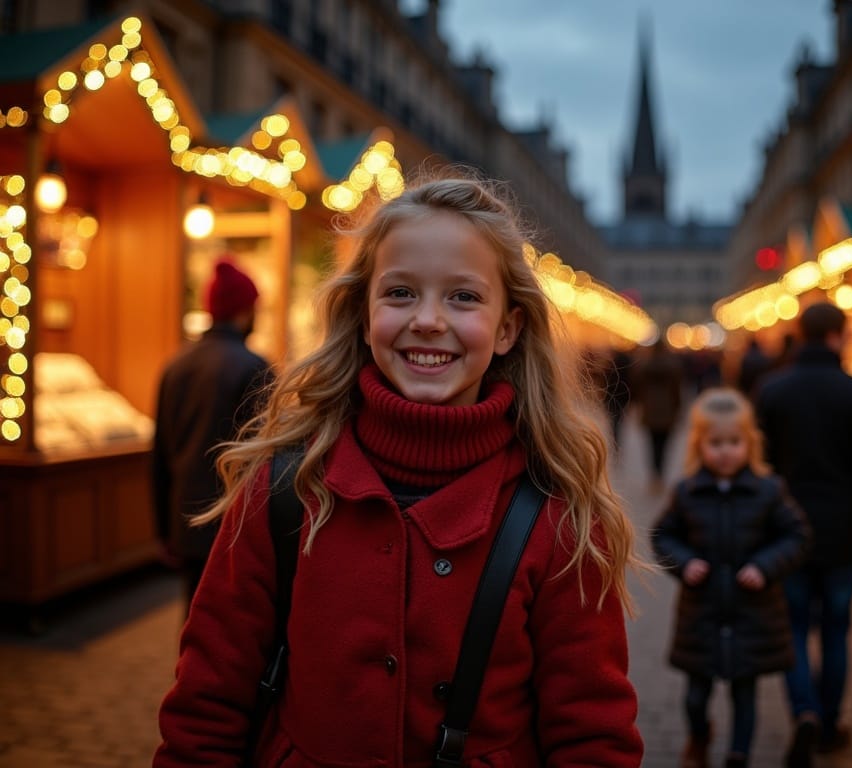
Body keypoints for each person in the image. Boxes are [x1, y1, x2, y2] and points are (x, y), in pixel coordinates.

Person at [153, 175, 645, 766]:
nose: (430, 320)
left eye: (463, 297)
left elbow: (593, 737)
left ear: (508, 327)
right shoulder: (285, 485)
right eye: (400, 293)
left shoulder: (557, 514)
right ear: (364, 316)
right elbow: (206, 706)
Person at [756, 302, 852, 767]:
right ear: (839, 335)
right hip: (842, 531)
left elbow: (759, 467)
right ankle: (831, 722)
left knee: (793, 626)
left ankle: (804, 712)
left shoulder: (772, 391)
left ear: (800, 333)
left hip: (786, 532)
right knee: (836, 630)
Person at [651, 388, 810, 768]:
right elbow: (663, 536)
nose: (725, 451)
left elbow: (797, 536)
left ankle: (738, 755)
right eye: (716, 443)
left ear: (749, 443)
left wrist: (765, 566)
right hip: (702, 615)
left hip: (751, 614)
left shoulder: (769, 491)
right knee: (694, 696)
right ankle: (699, 733)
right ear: (699, 445)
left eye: (734, 442)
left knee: (745, 695)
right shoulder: (687, 492)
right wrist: (685, 562)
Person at [152, 255, 272, 615]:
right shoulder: (254, 368)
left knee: (193, 612)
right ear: (246, 311)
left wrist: (163, 529)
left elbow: (159, 455)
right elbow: (262, 460)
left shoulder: (175, 365)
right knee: (229, 621)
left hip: (184, 519)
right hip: (232, 523)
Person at [634, 335, 685, 493]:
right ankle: (661, 474)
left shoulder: (645, 366)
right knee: (664, 445)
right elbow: (677, 391)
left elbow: (637, 387)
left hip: (650, 409)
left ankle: (654, 475)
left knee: (652, 444)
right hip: (668, 410)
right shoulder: (673, 366)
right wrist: (679, 409)